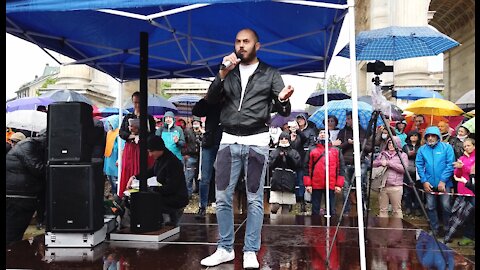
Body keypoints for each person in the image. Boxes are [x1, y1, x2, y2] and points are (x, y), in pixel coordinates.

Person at [200, 28, 294, 268]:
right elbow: (210, 100)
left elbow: (283, 111)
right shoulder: (228, 72)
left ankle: (251, 250)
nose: (241, 45)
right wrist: (222, 73)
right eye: (238, 42)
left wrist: (282, 99)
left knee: (254, 199)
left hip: (256, 142)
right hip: (228, 140)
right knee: (222, 197)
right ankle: (225, 248)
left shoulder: (270, 73)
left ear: (257, 46)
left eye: (246, 42)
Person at [126, 135, 189, 226]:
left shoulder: (172, 163)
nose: (150, 155)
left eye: (151, 152)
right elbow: (151, 171)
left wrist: (152, 189)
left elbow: (171, 187)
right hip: (165, 195)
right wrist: (135, 177)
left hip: (175, 199)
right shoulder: (160, 159)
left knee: (147, 201)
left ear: (159, 149)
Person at [6, 130, 47, 246]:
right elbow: (38, 169)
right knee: (12, 234)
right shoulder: (27, 146)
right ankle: (12, 259)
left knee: (14, 233)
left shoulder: (28, 147)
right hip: (17, 196)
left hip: (20, 194)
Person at [416, 126, 455, 236]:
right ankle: (434, 228)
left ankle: (448, 229)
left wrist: (443, 180)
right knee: (430, 206)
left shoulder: (446, 148)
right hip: (429, 183)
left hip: (445, 183)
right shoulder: (422, 150)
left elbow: (450, 165)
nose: (431, 138)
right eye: (428, 136)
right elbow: (419, 165)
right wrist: (424, 181)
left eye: (433, 136)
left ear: (438, 137)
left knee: (446, 206)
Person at [118, 91, 157, 198]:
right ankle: (126, 197)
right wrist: (130, 135)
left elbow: (152, 135)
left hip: (142, 148)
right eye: (135, 102)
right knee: (127, 171)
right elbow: (121, 132)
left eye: (139, 103)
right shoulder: (128, 117)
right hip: (130, 149)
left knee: (141, 170)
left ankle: (141, 197)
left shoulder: (149, 118)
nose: (137, 105)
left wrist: (141, 134)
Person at [192, 96, 223, 219]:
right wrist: (206, 98)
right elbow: (197, 111)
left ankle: (222, 205)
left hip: (224, 142)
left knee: (223, 178)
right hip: (210, 142)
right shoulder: (212, 102)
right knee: (205, 177)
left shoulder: (231, 101)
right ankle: (202, 206)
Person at [337, 111, 372, 216]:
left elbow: (369, 148)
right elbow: (338, 147)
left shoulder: (365, 132)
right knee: (346, 187)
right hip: (346, 162)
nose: (347, 121)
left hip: (360, 161)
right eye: (347, 119)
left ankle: (363, 208)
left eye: (349, 118)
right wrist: (348, 143)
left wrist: (358, 143)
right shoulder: (342, 132)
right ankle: (346, 210)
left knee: (361, 185)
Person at [304, 128, 345, 216]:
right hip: (316, 183)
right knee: (315, 209)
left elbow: (340, 168)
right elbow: (307, 168)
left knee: (331, 210)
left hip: (331, 183)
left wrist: (339, 184)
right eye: (321, 133)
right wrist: (308, 184)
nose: (322, 134)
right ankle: (315, 228)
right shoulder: (312, 150)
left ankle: (332, 228)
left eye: (325, 133)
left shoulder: (336, 151)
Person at [372, 136, 408, 218]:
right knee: (382, 210)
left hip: (396, 186)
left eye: (393, 143)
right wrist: (381, 162)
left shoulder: (402, 155)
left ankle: (398, 229)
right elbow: (373, 163)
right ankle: (383, 229)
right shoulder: (382, 154)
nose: (391, 145)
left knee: (397, 210)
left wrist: (389, 163)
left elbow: (404, 168)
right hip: (383, 185)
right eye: (389, 143)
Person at [268, 131, 301, 215]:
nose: (283, 140)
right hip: (277, 180)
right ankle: (273, 222)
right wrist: (279, 157)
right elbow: (271, 164)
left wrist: (288, 157)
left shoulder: (294, 152)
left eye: (286, 138)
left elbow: (296, 165)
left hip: (289, 180)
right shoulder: (274, 152)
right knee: (275, 204)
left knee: (286, 206)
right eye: (282, 138)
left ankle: (284, 226)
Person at [451, 138, 475, 246]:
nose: (466, 148)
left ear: (474, 146)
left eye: (468, 145)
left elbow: (472, 171)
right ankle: (466, 235)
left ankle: (469, 236)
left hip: (473, 190)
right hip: (463, 190)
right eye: (465, 146)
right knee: (462, 215)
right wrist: (459, 168)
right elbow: (457, 174)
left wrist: (463, 166)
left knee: (471, 215)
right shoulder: (461, 158)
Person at [295, 114, 318, 212]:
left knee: (302, 180)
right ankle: (297, 200)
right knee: (296, 179)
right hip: (295, 158)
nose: (299, 120)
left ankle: (304, 202)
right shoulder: (293, 131)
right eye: (298, 119)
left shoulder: (311, 131)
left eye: (301, 119)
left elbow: (312, 144)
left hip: (306, 158)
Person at [402, 130, 423, 216]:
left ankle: (417, 208)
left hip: (418, 171)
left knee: (418, 190)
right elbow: (403, 156)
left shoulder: (421, 147)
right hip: (408, 171)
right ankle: (408, 207)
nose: (414, 137)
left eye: (416, 136)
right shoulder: (405, 147)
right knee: (407, 191)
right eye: (412, 135)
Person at [182, 116, 203, 198]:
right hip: (190, 155)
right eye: (194, 123)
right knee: (189, 177)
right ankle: (188, 194)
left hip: (200, 157)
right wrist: (185, 154)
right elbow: (183, 143)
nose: (196, 125)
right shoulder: (188, 131)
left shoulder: (201, 132)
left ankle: (198, 192)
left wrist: (201, 132)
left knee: (198, 176)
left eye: (197, 123)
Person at [103, 115, 124, 196]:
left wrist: (120, 158)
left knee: (116, 178)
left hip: (115, 158)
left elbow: (122, 146)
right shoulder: (109, 132)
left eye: (110, 123)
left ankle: (118, 195)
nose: (109, 125)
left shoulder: (119, 133)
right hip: (109, 158)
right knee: (110, 177)